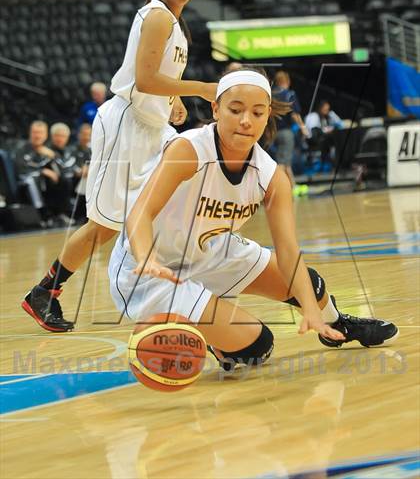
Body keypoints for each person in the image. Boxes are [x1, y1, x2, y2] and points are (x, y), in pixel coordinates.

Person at [109, 68, 398, 370]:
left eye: (257, 113)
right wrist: (146, 256)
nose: (246, 120)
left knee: (308, 285)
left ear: (267, 115)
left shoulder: (271, 176)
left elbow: (287, 250)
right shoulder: (189, 151)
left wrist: (311, 310)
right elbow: (139, 212)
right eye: (235, 110)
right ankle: (180, 326)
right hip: (151, 270)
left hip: (210, 251)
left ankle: (337, 326)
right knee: (257, 349)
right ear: (216, 109)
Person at [22, 0, 217, 332]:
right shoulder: (158, 17)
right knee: (106, 224)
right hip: (126, 125)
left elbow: (153, 75)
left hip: (153, 126)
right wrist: (201, 88)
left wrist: (174, 99)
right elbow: (143, 81)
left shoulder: (174, 24)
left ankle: (178, 287)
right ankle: (46, 291)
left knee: (176, 195)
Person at [271, 70, 309, 195]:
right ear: (287, 81)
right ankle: (272, 190)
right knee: (282, 163)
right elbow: (294, 114)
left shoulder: (270, 95)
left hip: (272, 133)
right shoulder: (289, 94)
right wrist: (303, 127)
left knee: (285, 162)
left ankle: (292, 187)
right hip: (285, 132)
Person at [305, 100, 344, 170]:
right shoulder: (313, 116)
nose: (326, 111)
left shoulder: (328, 116)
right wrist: (325, 131)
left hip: (324, 140)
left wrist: (332, 115)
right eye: (325, 109)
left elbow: (341, 124)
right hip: (313, 141)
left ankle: (337, 162)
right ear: (320, 108)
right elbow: (314, 132)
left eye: (328, 110)